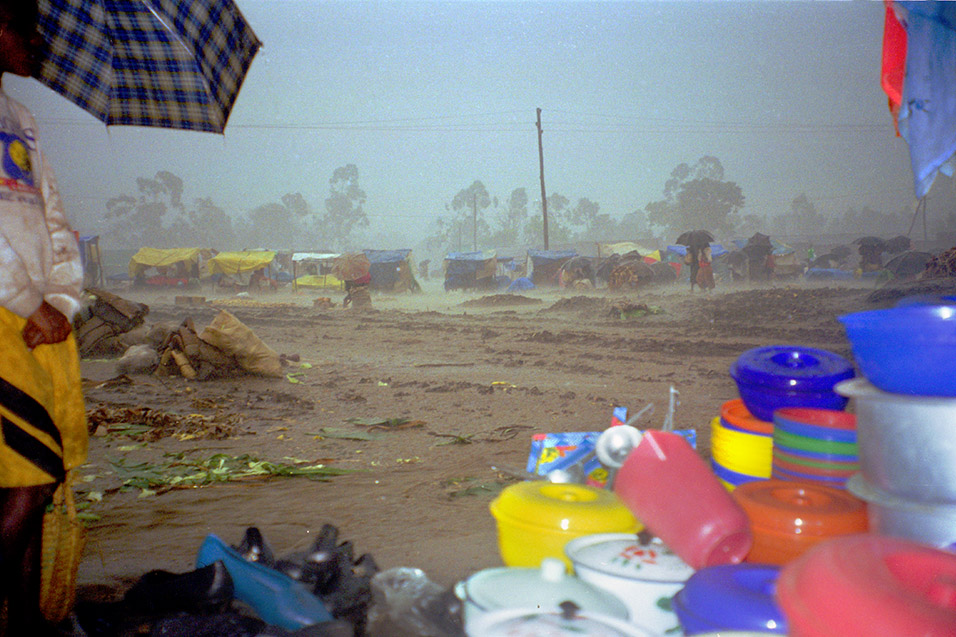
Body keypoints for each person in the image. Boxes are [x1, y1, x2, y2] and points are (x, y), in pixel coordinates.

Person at [0, 1, 87, 633]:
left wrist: (61, 300)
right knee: (33, 477)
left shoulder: (21, 120)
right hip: (5, 325)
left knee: (31, 486)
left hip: (38, 329)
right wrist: (30, 304)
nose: (38, 41)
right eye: (22, 28)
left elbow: (55, 221)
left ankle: (27, 626)